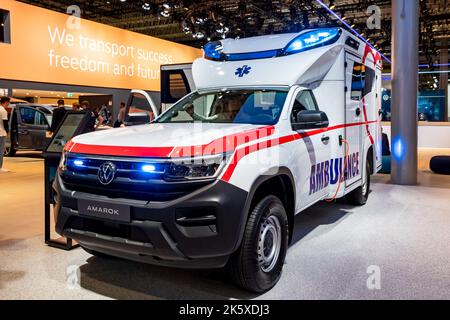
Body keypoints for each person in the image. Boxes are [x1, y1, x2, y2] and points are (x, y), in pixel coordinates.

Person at [0, 97, 10, 173]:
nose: (8, 104)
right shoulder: (3, 111)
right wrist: (8, 132)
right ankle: (0, 167)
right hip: (1, 133)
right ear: (6, 102)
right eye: (8, 103)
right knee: (1, 151)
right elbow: (5, 123)